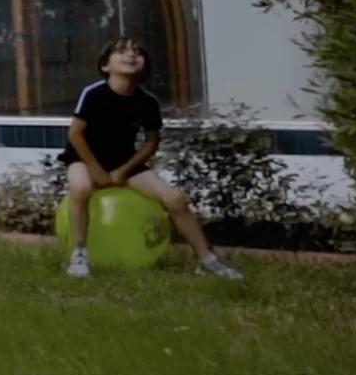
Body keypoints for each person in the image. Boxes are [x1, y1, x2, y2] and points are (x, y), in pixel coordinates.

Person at [62, 38, 244, 280]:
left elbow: (151, 143)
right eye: (122, 51)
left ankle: (206, 259)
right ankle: (80, 254)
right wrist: (96, 170)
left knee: (175, 198)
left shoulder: (147, 102)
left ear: (144, 66)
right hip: (85, 159)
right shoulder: (93, 94)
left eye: (137, 52)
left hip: (124, 162)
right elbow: (75, 134)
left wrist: (123, 171)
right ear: (105, 66)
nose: (131, 54)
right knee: (81, 187)